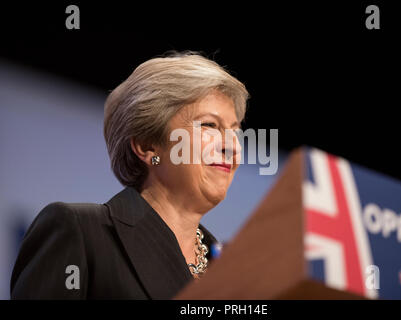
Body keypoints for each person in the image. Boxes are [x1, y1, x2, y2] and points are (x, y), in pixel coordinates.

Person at [10, 52, 249, 299]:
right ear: (147, 146)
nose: (231, 146)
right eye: (209, 125)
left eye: (235, 131)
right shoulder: (81, 232)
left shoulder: (227, 267)